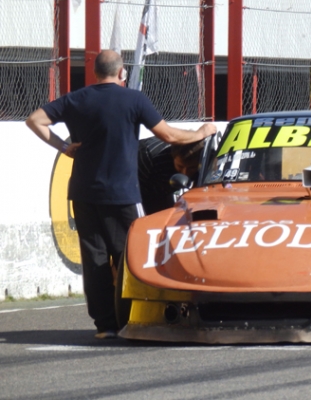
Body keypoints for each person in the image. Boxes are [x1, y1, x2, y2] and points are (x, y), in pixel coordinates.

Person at [25, 50, 217, 339]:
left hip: (83, 192)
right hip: (122, 193)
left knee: (94, 258)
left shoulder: (76, 98)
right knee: (131, 255)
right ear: (122, 73)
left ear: (95, 73)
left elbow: (34, 120)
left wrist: (64, 147)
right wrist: (201, 132)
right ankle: (134, 318)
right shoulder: (134, 99)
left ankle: (105, 326)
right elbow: (170, 136)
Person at [138, 136, 205, 215]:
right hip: (140, 182)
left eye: (192, 168)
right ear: (172, 157)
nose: (185, 173)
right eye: (180, 166)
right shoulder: (148, 156)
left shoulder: (204, 160)